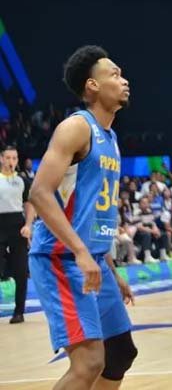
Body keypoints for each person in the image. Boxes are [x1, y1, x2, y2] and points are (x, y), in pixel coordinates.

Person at [28, 45, 138, 390]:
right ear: (92, 86)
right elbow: (40, 193)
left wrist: (111, 268)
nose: (124, 80)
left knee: (120, 352)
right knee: (89, 362)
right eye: (114, 75)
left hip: (94, 260)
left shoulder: (112, 138)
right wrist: (79, 252)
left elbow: (93, 211)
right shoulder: (77, 128)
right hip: (61, 258)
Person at [0, 145, 35, 323]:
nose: (11, 161)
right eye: (8, 158)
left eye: (14, 158)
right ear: (1, 159)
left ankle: (19, 311)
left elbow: (29, 205)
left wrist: (28, 225)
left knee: (21, 270)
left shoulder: (23, 181)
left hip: (17, 226)